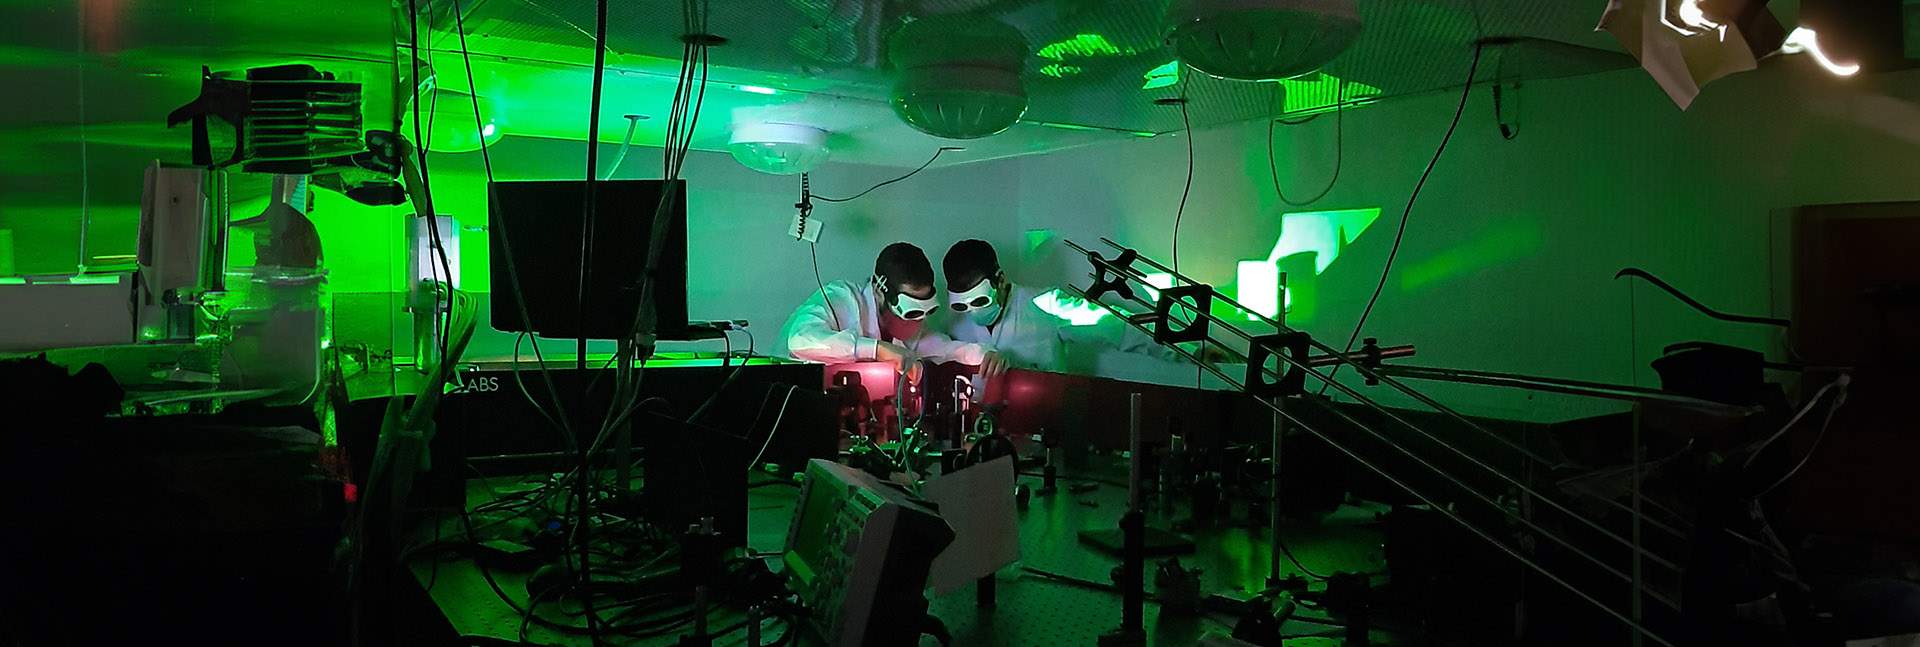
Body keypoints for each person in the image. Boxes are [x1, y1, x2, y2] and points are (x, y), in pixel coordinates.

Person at [938, 239, 1208, 375]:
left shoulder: (1047, 304)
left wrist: (1190, 350)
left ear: (1000, 279)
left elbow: (1118, 327)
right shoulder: (956, 324)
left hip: (1043, 428)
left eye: (980, 300)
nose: (973, 312)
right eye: (962, 305)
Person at [780, 242, 991, 377]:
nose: (917, 323)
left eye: (924, 313)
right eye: (910, 313)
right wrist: (877, 349)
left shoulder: (911, 331)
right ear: (879, 292)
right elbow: (800, 340)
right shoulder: (842, 298)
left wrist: (987, 354)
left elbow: (947, 349)